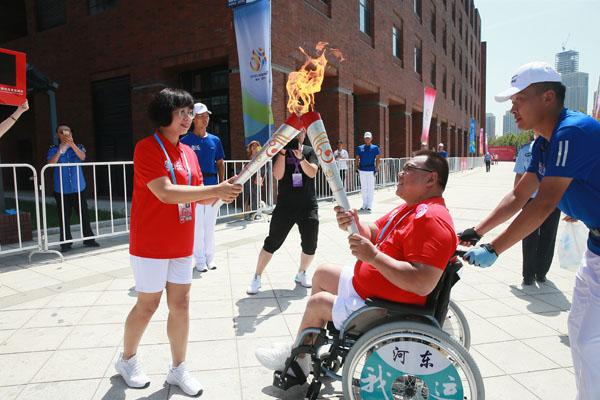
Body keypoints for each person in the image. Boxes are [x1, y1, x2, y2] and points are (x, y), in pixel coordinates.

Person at [458, 61, 600, 400]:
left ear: (548, 97)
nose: (513, 108)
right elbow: (520, 194)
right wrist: (476, 231)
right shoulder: (542, 143)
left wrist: (494, 249)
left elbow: (544, 204)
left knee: (586, 337)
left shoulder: (572, 131)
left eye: (519, 99)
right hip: (596, 248)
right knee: (582, 332)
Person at [254, 151, 457, 377]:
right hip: (374, 290)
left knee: (318, 303)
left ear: (431, 179)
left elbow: (422, 283)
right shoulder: (410, 208)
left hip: (388, 308)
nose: (400, 171)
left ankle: (298, 361)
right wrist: (355, 224)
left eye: (408, 168)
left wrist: (373, 258)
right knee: (321, 273)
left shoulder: (431, 219)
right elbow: (376, 231)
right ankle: (307, 348)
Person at [115, 88, 241, 396]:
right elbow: (166, 192)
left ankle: (178, 368)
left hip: (183, 242)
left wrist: (226, 192)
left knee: (181, 305)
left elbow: (201, 197)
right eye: (181, 112)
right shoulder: (147, 149)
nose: (188, 118)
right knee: (148, 304)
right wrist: (214, 190)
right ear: (164, 115)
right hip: (151, 243)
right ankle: (127, 359)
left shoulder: (188, 152)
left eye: (190, 113)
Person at [246, 129, 319, 295]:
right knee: (272, 241)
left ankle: (301, 273)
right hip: (285, 205)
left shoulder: (309, 151)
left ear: (304, 134)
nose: (297, 135)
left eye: (301, 132)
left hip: (308, 205)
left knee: (310, 244)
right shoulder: (282, 152)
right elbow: (277, 176)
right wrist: (283, 154)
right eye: (294, 132)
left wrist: (300, 158)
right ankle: (257, 276)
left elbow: (312, 172)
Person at [180, 102, 225, 272]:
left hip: (212, 185)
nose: (205, 120)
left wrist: (222, 184)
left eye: (207, 116)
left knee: (210, 225)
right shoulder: (184, 141)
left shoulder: (215, 140)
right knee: (197, 226)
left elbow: (220, 163)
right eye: (200, 117)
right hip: (194, 189)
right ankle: (199, 261)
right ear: (193, 119)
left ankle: (210, 258)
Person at [514, 135, 561, 285]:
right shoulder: (525, 150)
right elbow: (519, 175)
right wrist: (518, 199)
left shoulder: (557, 148)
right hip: (532, 199)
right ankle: (529, 274)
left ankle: (540, 272)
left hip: (552, 200)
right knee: (530, 236)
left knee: (547, 236)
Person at [47, 124, 99, 252]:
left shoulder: (79, 147)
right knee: (64, 216)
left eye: (68, 132)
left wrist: (72, 145)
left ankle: (89, 239)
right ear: (57, 135)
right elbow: (51, 164)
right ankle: (65, 243)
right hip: (61, 188)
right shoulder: (53, 149)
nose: (65, 134)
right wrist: (61, 150)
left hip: (78, 187)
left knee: (84, 214)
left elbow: (82, 157)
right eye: (62, 132)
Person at [355, 131, 381, 211]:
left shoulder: (375, 148)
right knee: (364, 187)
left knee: (370, 187)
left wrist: (377, 168)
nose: (367, 139)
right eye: (366, 138)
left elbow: (378, 159)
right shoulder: (360, 148)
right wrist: (356, 167)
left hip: (371, 170)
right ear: (364, 138)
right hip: (362, 170)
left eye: (368, 138)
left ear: (371, 138)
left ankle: (369, 204)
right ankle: (364, 204)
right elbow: (357, 158)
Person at [243, 140, 263, 220]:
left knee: (256, 195)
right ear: (250, 148)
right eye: (253, 146)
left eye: (256, 145)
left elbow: (264, 167)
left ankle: (254, 213)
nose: (254, 147)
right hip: (248, 178)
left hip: (257, 177)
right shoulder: (248, 157)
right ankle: (246, 213)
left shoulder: (261, 156)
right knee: (247, 194)